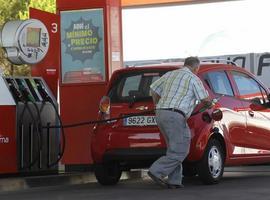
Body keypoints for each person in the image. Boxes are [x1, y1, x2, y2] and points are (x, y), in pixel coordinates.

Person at [147, 56, 211, 189]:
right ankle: (157, 171)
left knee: (173, 148)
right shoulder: (194, 78)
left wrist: (157, 104)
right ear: (196, 67)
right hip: (175, 115)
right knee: (181, 150)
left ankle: (174, 181)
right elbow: (205, 100)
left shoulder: (170, 74)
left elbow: (153, 89)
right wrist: (210, 103)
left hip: (160, 113)